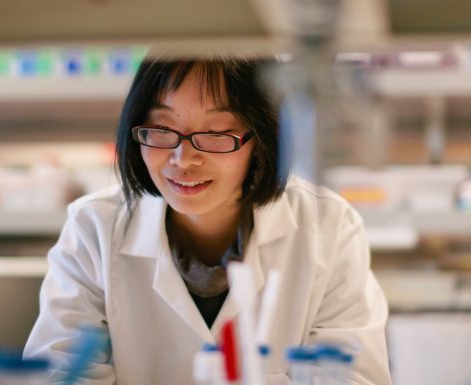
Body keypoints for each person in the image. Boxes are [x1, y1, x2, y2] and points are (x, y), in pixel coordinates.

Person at [24, 54, 392, 385]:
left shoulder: (327, 225)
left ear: (263, 138)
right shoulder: (94, 228)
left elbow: (353, 377)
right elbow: (62, 373)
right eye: (162, 129)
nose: (183, 160)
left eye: (216, 133)